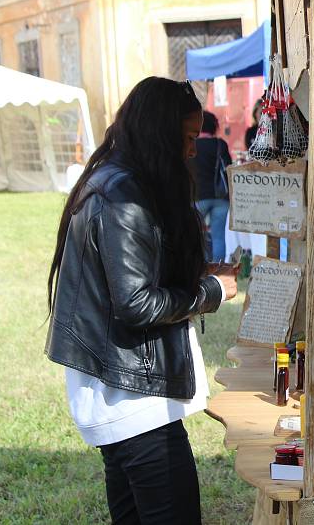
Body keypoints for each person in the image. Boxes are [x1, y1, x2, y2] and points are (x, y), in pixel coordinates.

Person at [46, 77, 239, 524]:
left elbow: (129, 275)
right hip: (134, 402)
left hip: (123, 396)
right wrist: (211, 292)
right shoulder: (123, 195)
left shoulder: (113, 180)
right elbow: (135, 303)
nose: (193, 150)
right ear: (161, 132)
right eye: (189, 138)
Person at [190, 110, 232, 261]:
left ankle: (197, 268)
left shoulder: (190, 145)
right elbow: (228, 168)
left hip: (196, 196)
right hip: (220, 197)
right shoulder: (220, 144)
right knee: (219, 237)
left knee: (193, 237)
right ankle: (218, 271)